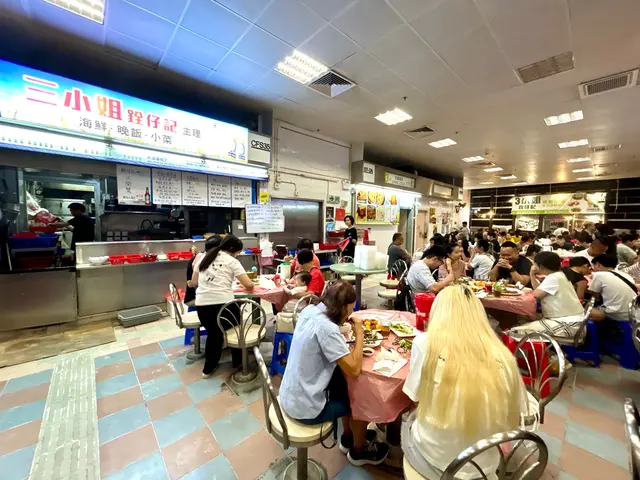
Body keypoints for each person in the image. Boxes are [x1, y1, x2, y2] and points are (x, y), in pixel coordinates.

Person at [401, 285, 527, 479]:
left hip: (435, 463)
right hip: (484, 466)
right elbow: (517, 414)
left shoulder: (426, 343)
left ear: (438, 311)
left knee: (406, 420)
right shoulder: (502, 355)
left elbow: (414, 396)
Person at [279, 281, 389, 466]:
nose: (349, 315)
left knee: (343, 385)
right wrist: (359, 333)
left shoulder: (310, 310)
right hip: (306, 409)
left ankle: (348, 437)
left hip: (290, 394)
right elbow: (354, 370)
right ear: (343, 308)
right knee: (360, 400)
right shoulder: (328, 329)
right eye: (350, 310)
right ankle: (359, 451)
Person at [193, 235, 254, 377]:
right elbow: (249, 285)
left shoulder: (204, 258)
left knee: (214, 334)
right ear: (233, 250)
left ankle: (208, 369)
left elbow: (194, 281)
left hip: (202, 306)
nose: (237, 255)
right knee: (237, 329)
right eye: (238, 253)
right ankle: (238, 362)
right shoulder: (232, 261)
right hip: (224, 306)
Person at [508, 252, 584, 340]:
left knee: (514, 331)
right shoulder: (560, 274)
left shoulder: (553, 278)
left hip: (567, 324)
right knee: (522, 317)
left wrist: (532, 273)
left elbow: (536, 295)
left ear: (540, 266)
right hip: (573, 322)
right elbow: (538, 289)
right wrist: (532, 274)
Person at [589, 254, 637, 321]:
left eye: (593, 266)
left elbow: (595, 297)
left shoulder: (598, 275)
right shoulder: (625, 275)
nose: (593, 269)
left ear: (598, 264)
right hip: (634, 312)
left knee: (585, 310)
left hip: (616, 314)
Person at [185, 235, 222, 306]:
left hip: (207, 298)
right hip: (196, 299)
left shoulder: (204, 257)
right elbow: (192, 283)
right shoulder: (200, 259)